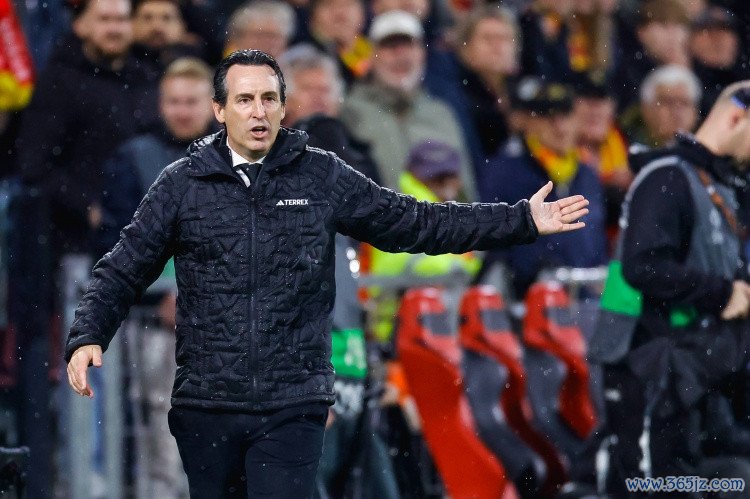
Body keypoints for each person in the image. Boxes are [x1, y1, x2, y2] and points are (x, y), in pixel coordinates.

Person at [64, 49, 590, 498]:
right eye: (244, 100)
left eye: (268, 98)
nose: (258, 111)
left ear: (284, 107)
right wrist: (88, 334)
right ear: (219, 110)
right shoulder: (181, 184)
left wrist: (520, 219)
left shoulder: (321, 175)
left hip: (294, 401)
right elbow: (123, 266)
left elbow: (416, 222)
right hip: (207, 403)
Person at [597, 81, 750, 497]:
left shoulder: (717, 185)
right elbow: (642, 267)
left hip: (689, 370)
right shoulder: (667, 177)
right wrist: (722, 293)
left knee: (703, 481)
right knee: (651, 487)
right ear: (736, 118)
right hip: (645, 366)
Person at [98, 57, 215, 498]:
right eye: (174, 101)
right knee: (162, 424)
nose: (182, 111)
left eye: (191, 102)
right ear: (161, 103)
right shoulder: (133, 158)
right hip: (155, 321)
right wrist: (159, 293)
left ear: (212, 104)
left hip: (230, 317)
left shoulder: (241, 157)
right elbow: (118, 243)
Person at [479, 79, 607, 297]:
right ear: (530, 122)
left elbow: (597, 242)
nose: (560, 127)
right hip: (527, 302)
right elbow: (493, 244)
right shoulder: (504, 173)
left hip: (586, 301)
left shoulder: (587, 175)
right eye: (548, 117)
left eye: (566, 115)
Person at [341, 10, 476, 199]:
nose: (400, 54)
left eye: (408, 45)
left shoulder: (442, 114)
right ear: (372, 56)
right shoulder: (350, 112)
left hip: (441, 218)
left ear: (422, 53)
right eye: (389, 46)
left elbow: (466, 191)